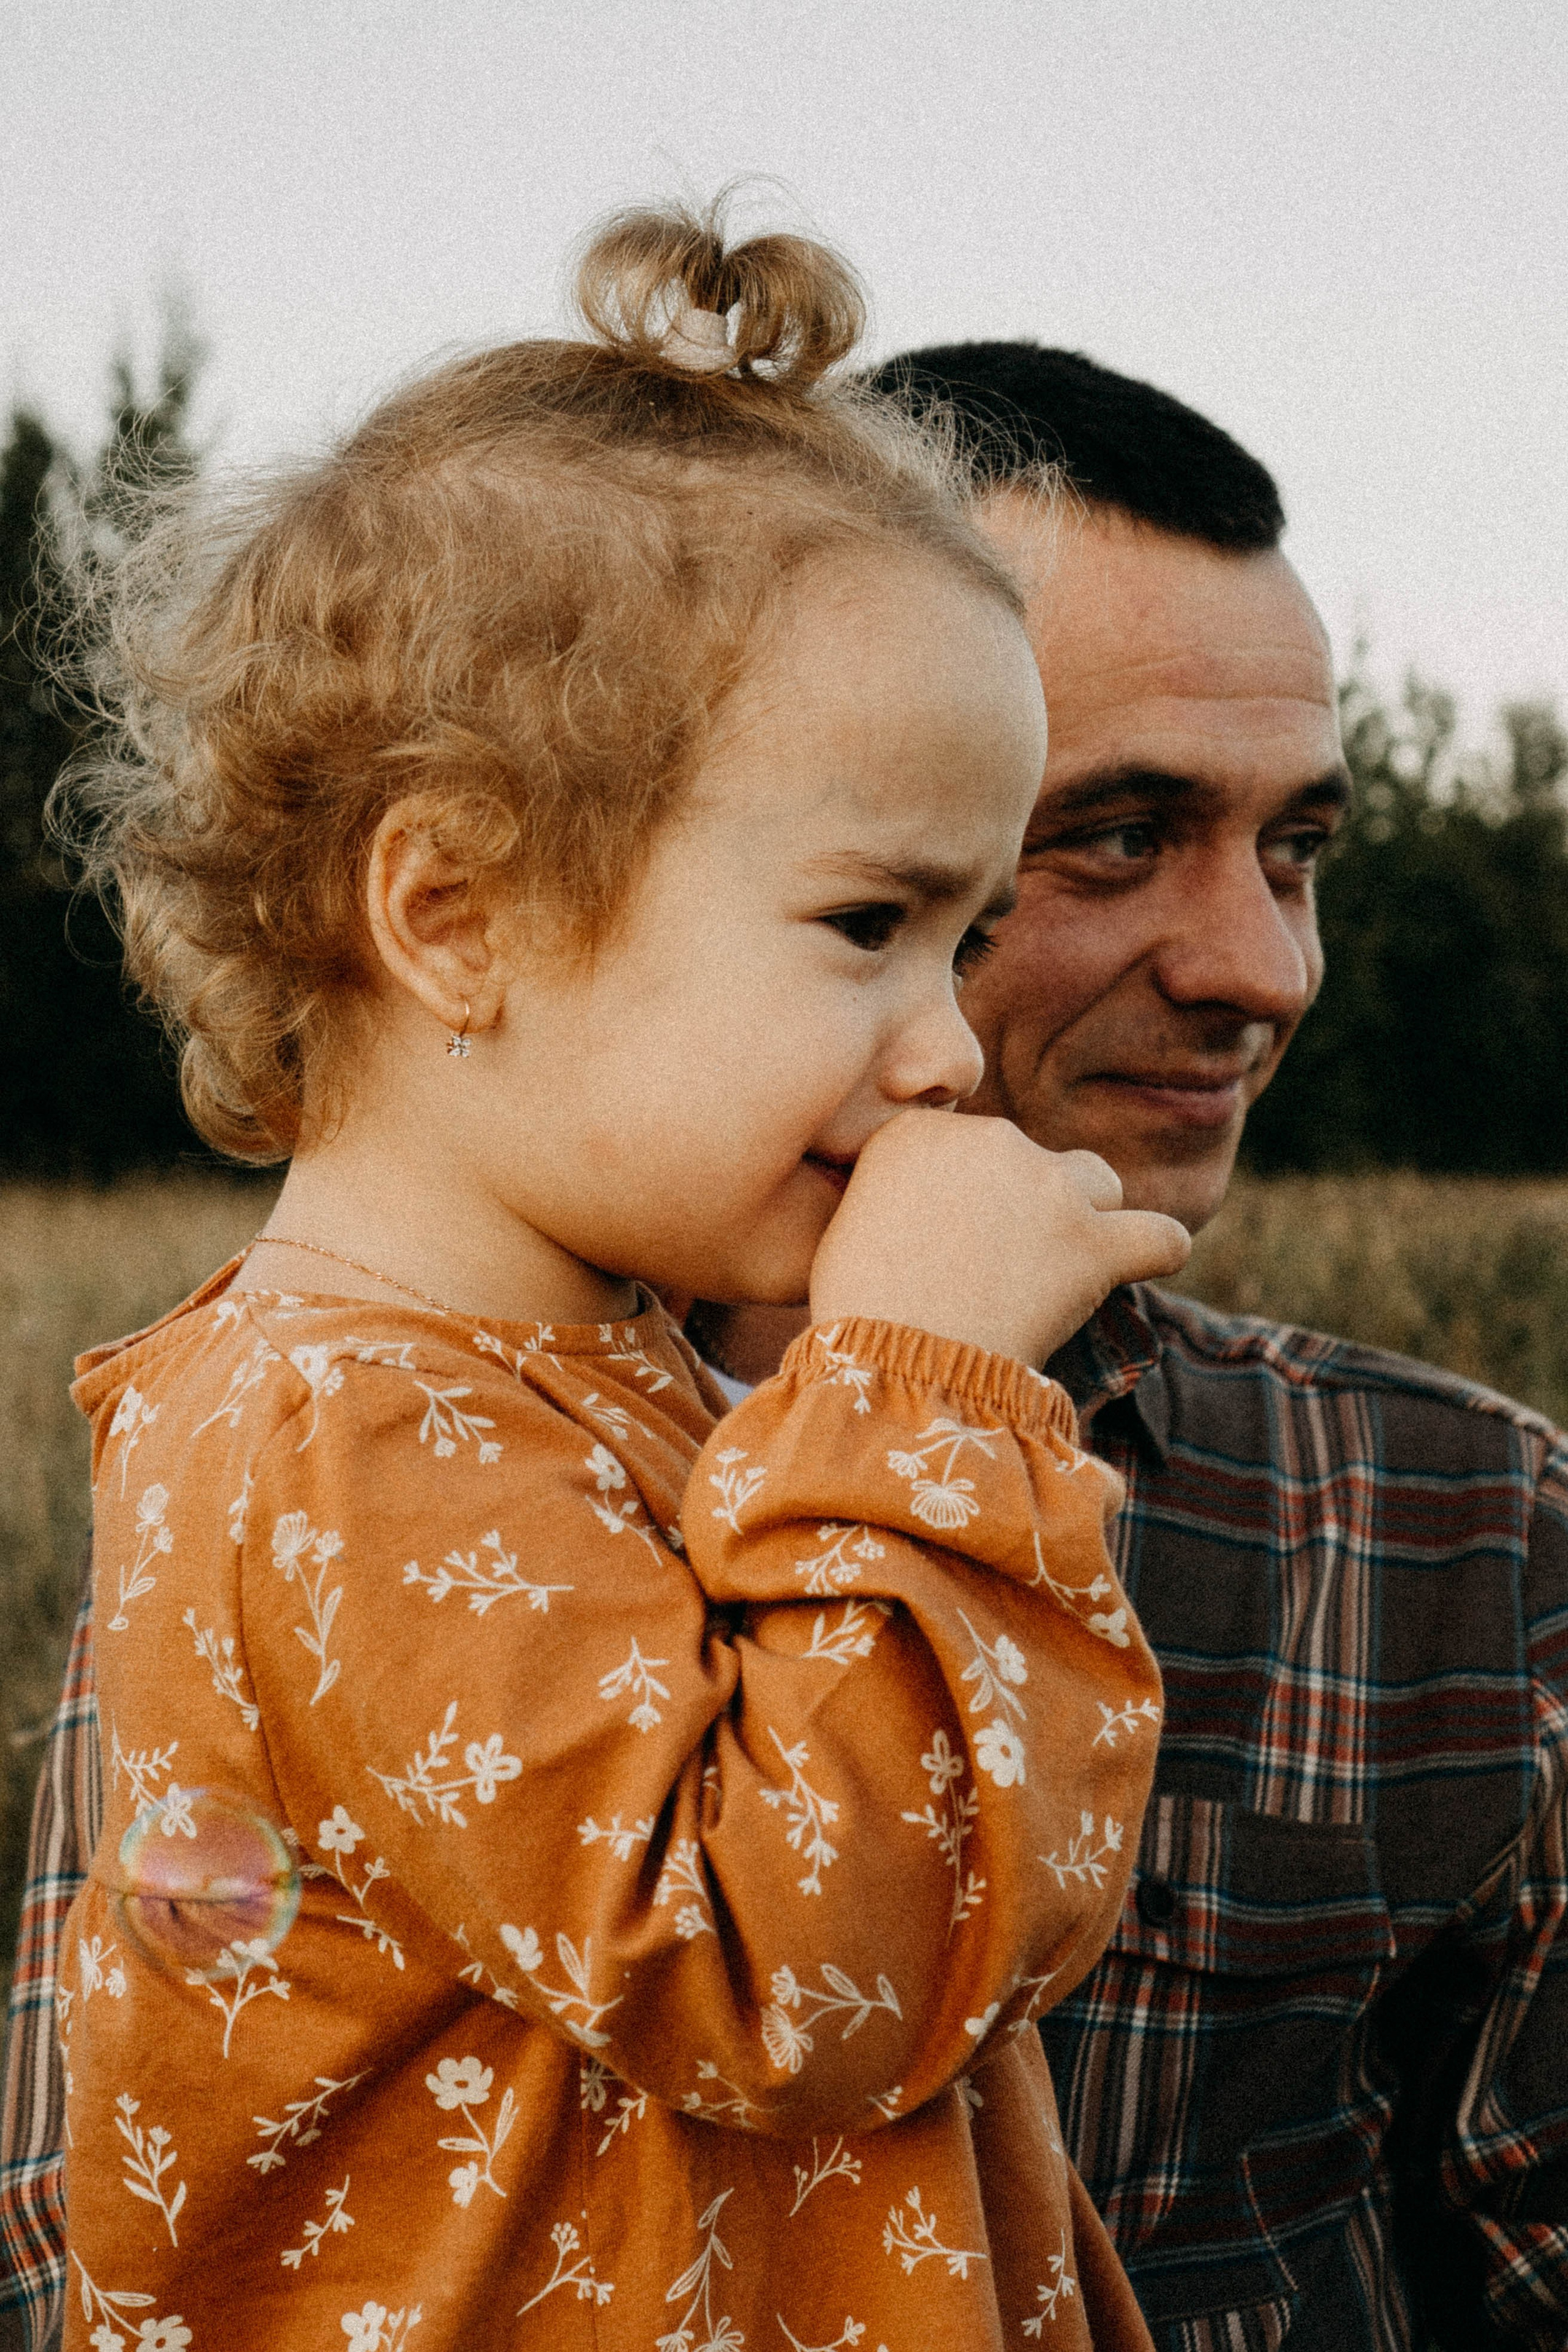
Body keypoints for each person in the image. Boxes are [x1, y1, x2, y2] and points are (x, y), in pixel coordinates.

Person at [10, 337, 1568, 2351]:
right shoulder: (333, 1437)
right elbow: (785, 1962)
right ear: (459, 915)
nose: (941, 1046)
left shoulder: (1464, 1518)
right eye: (877, 923)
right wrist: (931, 1392)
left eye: (975, 922)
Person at [696, 343, 1568, 2352]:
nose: (1260, 967)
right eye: (1113, 836)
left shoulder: (1462, 1537)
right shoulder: (346, 1468)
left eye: (1298, 852)